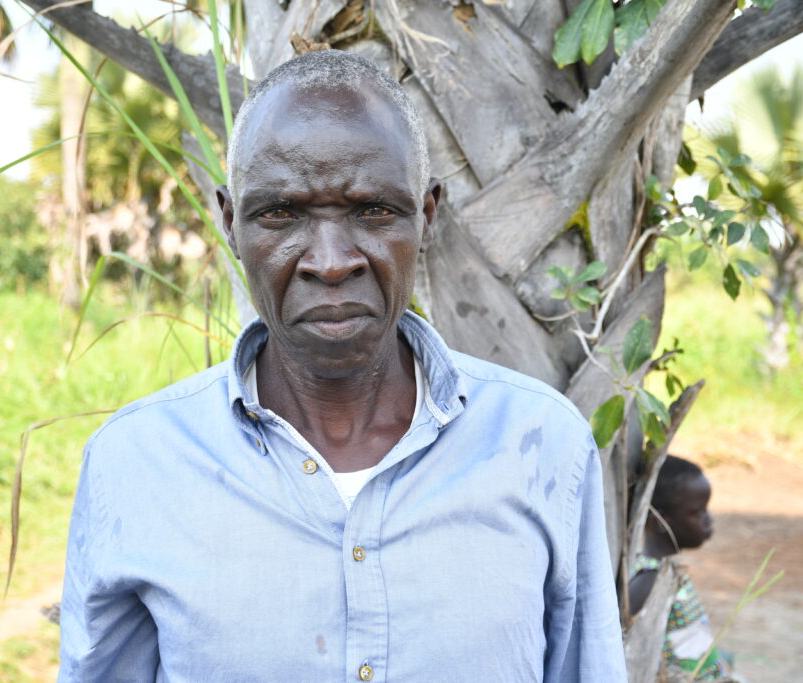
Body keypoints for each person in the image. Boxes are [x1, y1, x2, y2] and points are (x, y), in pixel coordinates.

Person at [59, 49, 626, 682]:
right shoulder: (136, 464)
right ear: (229, 222)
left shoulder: (543, 443)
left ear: (427, 216)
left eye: (373, 211)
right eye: (281, 214)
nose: (330, 262)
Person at [628, 455, 730, 680]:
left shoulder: (668, 571)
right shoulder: (649, 578)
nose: (708, 520)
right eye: (698, 512)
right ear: (660, 522)